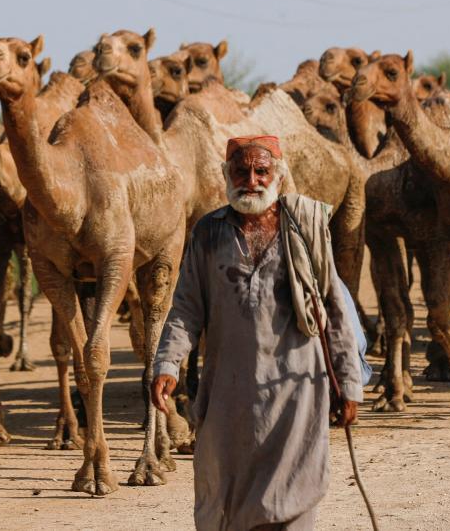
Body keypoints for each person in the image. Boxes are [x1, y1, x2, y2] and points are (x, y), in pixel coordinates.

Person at [151, 135, 364, 531]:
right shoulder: (207, 234)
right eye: (241, 171)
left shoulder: (306, 229)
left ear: (278, 176)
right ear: (226, 175)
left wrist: (349, 383)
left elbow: (335, 310)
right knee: (225, 495)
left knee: (293, 495)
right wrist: (168, 363)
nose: (251, 179)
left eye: (261, 171)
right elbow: (185, 307)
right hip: (230, 394)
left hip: (297, 391)